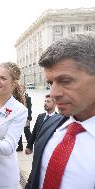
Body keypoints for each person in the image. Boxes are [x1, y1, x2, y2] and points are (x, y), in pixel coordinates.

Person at [25, 32, 95, 189]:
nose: (54, 93)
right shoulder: (50, 125)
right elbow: (33, 181)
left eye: (65, 81)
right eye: (50, 83)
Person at [17, 86, 32, 151]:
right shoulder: (16, 98)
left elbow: (29, 108)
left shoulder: (28, 98)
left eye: (22, 89)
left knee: (27, 131)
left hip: (26, 117)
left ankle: (30, 146)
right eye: (20, 89)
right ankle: (20, 146)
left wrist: (28, 118)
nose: (21, 90)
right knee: (18, 132)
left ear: (24, 90)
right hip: (18, 117)